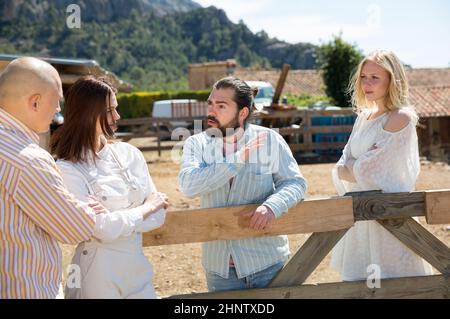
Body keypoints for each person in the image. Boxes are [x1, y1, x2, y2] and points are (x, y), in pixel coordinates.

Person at [178, 77, 307, 292]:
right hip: (220, 270)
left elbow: (295, 183)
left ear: (243, 112)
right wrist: (237, 160)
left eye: (221, 106)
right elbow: (188, 186)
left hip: (267, 262)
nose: (212, 110)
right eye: (210, 103)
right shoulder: (196, 143)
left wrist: (271, 206)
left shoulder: (269, 140)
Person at [50, 76, 168, 299]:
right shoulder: (67, 169)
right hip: (96, 274)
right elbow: (99, 229)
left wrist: (114, 221)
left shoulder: (130, 154)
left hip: (137, 270)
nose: (117, 116)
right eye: (108, 110)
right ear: (86, 113)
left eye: (116, 108)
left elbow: (159, 215)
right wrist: (145, 208)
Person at [0, 57, 104, 298]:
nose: (58, 111)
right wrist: (87, 207)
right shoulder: (28, 159)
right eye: (56, 101)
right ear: (35, 102)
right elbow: (74, 228)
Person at [331, 50, 433, 281]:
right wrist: (352, 167)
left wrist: (352, 167)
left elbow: (367, 170)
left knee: (398, 284)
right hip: (359, 215)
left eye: (375, 77)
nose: (367, 83)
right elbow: (341, 164)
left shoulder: (401, 117)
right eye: (363, 77)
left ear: (392, 79)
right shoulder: (362, 117)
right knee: (359, 287)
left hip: (391, 215)